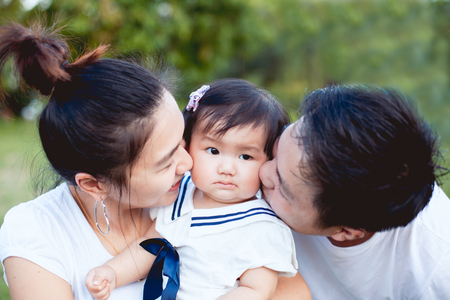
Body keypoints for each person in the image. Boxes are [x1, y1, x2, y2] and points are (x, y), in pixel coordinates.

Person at [0, 22, 194, 299]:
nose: (187, 163)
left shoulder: (205, 192)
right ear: (94, 184)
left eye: (182, 142)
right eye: (165, 162)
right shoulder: (37, 232)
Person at [85, 79, 307, 300]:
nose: (227, 168)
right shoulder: (179, 195)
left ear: (269, 160)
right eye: (213, 150)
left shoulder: (262, 227)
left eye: (246, 156)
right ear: (188, 145)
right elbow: (151, 247)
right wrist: (113, 273)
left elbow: (257, 291)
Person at [262, 85, 450, 299]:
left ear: (346, 232)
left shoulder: (437, 271)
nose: (262, 172)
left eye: (281, 188)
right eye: (275, 149)